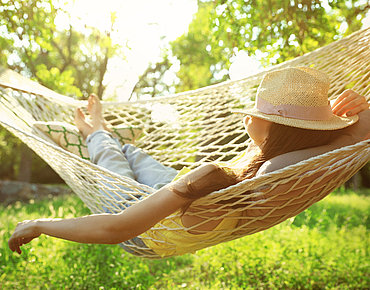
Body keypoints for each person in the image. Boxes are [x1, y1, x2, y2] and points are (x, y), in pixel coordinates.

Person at [8, 67, 369, 257]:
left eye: (257, 114)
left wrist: (41, 223)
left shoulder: (263, 174)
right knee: (134, 155)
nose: (249, 118)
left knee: (109, 161)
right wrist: (345, 133)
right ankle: (111, 135)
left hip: (141, 219)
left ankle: (95, 133)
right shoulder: (290, 165)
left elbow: (115, 229)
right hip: (185, 191)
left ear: (280, 130)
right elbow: (339, 142)